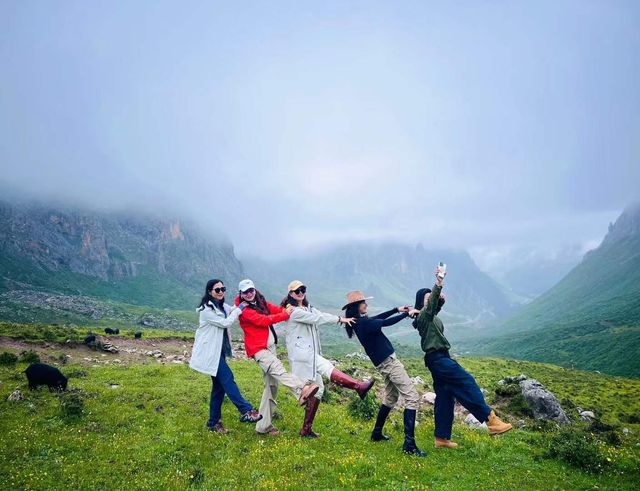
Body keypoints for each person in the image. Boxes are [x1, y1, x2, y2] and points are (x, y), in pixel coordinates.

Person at [410, 268, 513, 449]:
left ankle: (441, 438)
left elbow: (434, 307)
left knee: (445, 397)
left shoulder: (429, 315)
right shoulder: (423, 316)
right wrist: (439, 282)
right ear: (421, 303)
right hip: (439, 360)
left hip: (438, 359)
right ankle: (491, 420)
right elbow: (431, 306)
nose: (430, 302)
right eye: (426, 299)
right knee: (466, 381)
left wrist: (439, 301)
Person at [281, 280, 375, 438]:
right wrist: (340, 319)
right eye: (297, 291)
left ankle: (306, 429)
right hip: (302, 354)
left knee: (319, 390)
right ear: (291, 294)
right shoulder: (294, 312)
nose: (301, 293)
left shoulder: (308, 308)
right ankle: (358, 386)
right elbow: (317, 319)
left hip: (310, 352)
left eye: (303, 289)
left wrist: (341, 319)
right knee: (326, 367)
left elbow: (320, 315)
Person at [343, 291, 426, 457]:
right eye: (363, 303)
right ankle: (409, 444)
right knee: (411, 397)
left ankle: (376, 433)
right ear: (356, 307)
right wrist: (406, 315)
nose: (366, 305)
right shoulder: (363, 324)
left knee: (390, 398)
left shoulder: (361, 321)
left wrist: (397, 309)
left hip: (384, 363)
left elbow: (379, 317)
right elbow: (386, 323)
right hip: (389, 363)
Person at [234, 279, 320, 436]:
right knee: (278, 369)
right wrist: (285, 314)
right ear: (241, 293)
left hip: (270, 347)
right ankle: (302, 389)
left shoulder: (260, 301)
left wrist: (285, 309)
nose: (249, 293)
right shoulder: (243, 310)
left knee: (271, 387)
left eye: (251, 290)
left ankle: (263, 426)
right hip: (259, 350)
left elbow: (274, 309)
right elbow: (263, 321)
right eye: (246, 292)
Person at [189, 279, 263, 433]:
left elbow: (234, 308)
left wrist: (244, 299)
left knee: (218, 388)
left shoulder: (222, 306)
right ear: (210, 292)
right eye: (217, 290)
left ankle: (213, 423)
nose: (221, 292)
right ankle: (246, 410)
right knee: (228, 377)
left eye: (223, 288)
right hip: (210, 353)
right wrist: (241, 307)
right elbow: (225, 322)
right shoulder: (206, 310)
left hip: (219, 351)